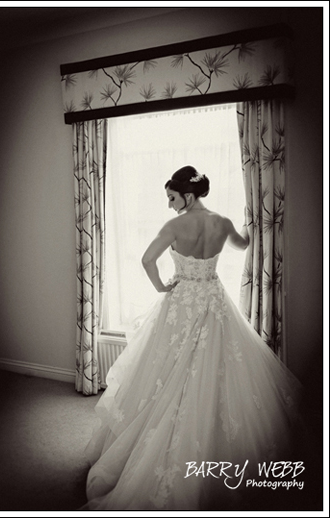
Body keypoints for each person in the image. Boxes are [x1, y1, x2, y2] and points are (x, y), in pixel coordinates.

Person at [80, 166, 302, 511]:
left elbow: (146, 260)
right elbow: (243, 244)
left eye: (172, 197)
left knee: (166, 369)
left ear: (188, 194)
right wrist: (249, 221)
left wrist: (160, 287)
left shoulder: (174, 226)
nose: (169, 205)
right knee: (220, 368)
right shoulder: (223, 222)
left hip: (181, 302)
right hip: (215, 300)